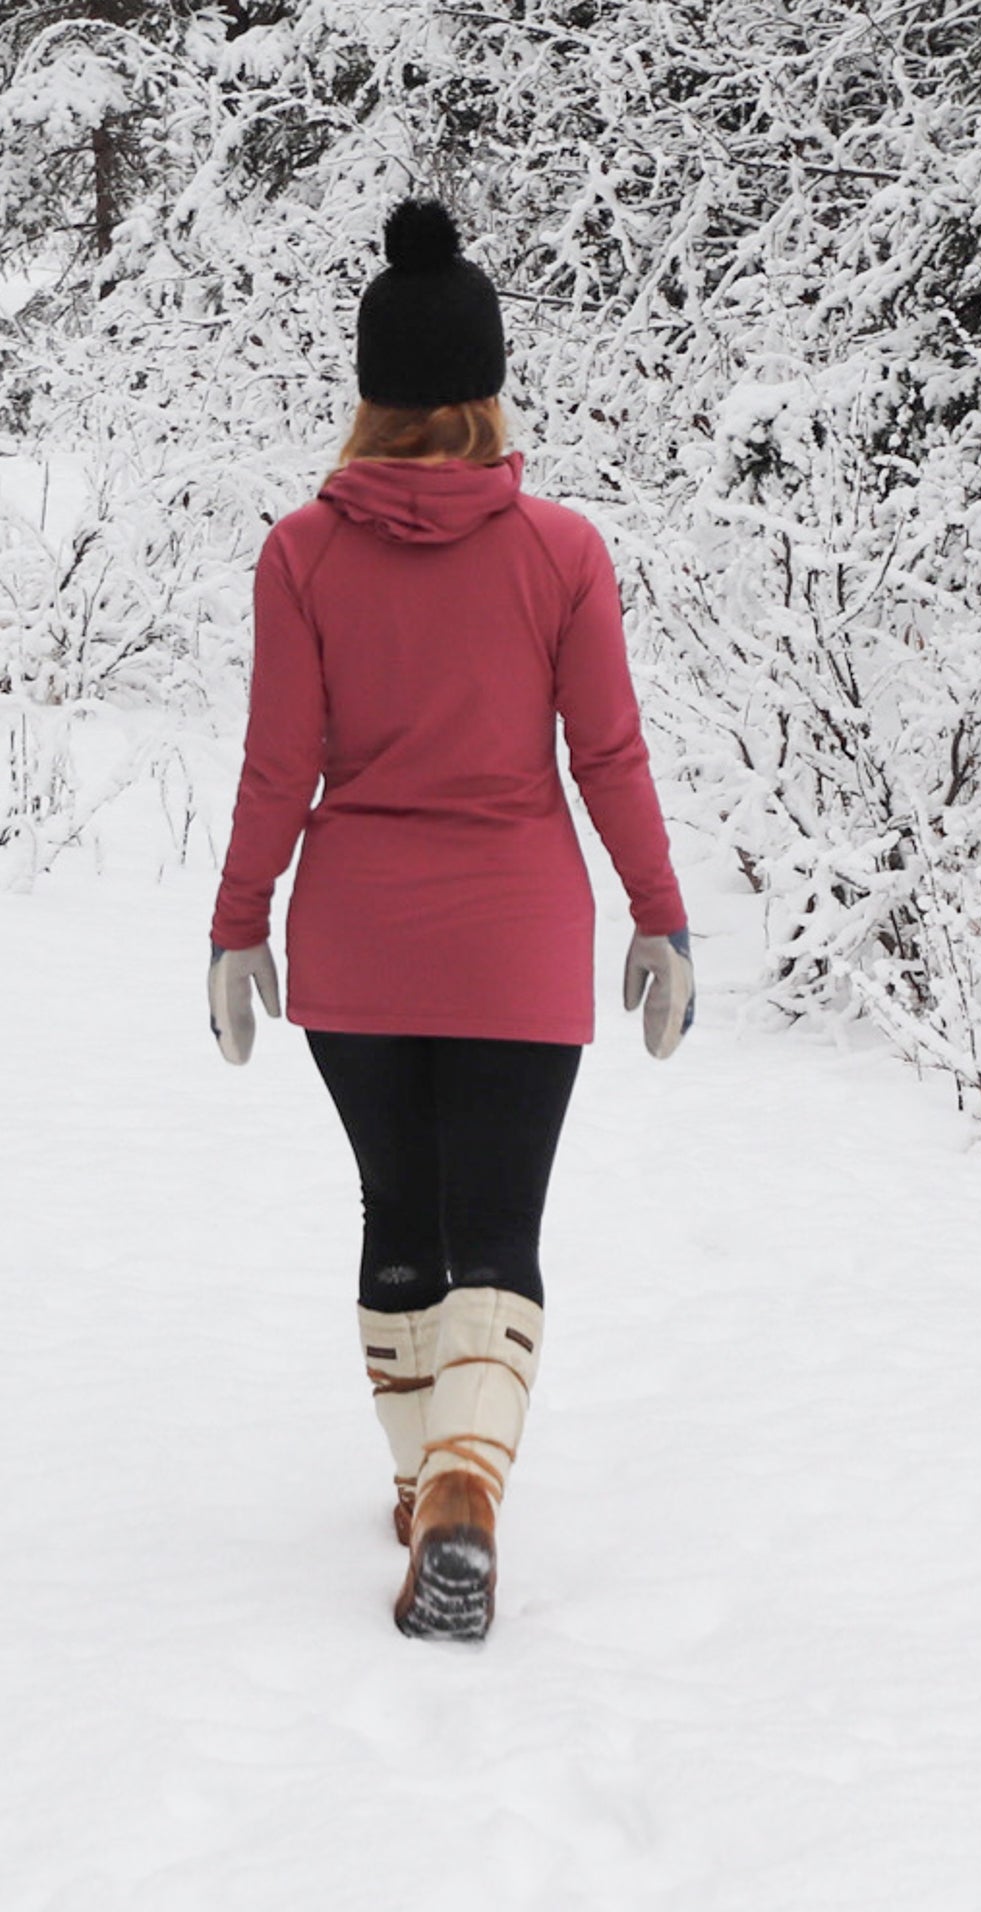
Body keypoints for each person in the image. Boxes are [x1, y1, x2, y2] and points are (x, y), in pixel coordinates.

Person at [206, 196, 694, 1643]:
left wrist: (238, 929)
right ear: (488, 392)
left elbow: (276, 765)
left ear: (369, 396)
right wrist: (660, 917)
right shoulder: (564, 553)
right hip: (517, 943)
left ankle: (426, 1486)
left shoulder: (302, 554)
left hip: (357, 947)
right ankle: (469, 1482)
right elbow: (608, 754)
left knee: (397, 1214)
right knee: (500, 1229)